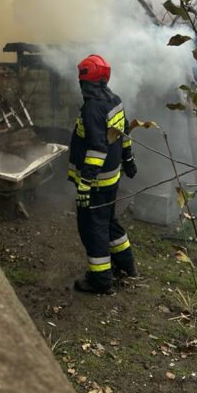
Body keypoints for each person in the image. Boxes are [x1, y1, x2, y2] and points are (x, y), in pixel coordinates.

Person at [68, 54, 138, 294]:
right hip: (112, 179)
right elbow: (124, 131)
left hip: (96, 183)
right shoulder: (114, 100)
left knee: (92, 229)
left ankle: (100, 281)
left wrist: (85, 185)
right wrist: (128, 160)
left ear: (85, 82)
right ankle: (127, 265)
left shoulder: (92, 109)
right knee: (108, 222)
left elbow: (96, 149)